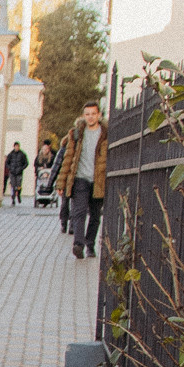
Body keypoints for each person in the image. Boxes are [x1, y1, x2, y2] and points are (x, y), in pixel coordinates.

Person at [56, 101, 108, 257]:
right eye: (87, 114)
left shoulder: (106, 134)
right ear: (83, 116)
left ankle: (90, 245)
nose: (90, 117)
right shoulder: (77, 133)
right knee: (78, 212)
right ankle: (78, 244)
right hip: (80, 179)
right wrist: (61, 183)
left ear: (99, 115)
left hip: (98, 180)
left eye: (93, 114)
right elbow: (67, 159)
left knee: (95, 215)